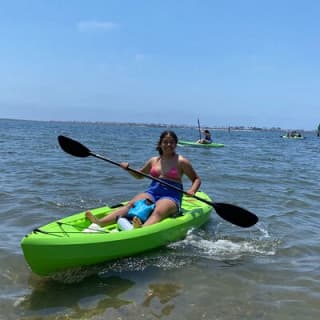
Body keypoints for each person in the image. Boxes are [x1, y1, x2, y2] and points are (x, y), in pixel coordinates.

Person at [85, 130, 201, 228]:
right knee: (131, 205)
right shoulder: (153, 160)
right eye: (165, 142)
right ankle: (100, 222)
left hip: (171, 195)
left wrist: (192, 190)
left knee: (159, 210)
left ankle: (141, 230)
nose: (168, 145)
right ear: (160, 144)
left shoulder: (181, 161)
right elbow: (140, 175)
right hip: (153, 192)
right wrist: (128, 169)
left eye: (171, 142)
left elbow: (196, 179)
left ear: (176, 144)